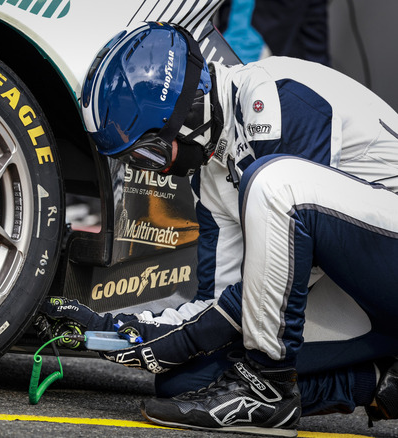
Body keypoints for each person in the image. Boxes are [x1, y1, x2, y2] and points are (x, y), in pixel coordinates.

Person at [39, 21, 398, 436]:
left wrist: (166, 338)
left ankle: (270, 390)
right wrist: (108, 330)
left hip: (380, 261)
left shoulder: (279, 96)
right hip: (361, 287)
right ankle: (380, 384)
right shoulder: (211, 175)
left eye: (151, 154)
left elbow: (289, 273)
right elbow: (220, 308)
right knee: (187, 382)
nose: (155, 170)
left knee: (273, 182)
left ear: (190, 112)